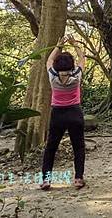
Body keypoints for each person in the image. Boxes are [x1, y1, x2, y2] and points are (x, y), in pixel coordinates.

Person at [41, 35, 86, 190]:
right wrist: (75, 44)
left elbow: (48, 61)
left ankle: (46, 180)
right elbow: (82, 58)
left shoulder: (53, 76)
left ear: (57, 65)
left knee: (51, 148)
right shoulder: (76, 76)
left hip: (57, 114)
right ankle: (78, 178)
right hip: (75, 113)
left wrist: (58, 46)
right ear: (72, 65)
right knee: (78, 147)